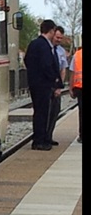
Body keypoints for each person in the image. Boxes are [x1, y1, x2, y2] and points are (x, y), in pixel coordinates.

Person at [24, 19, 63, 150]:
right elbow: (47, 65)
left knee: (39, 112)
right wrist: (54, 80)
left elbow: (27, 60)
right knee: (42, 112)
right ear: (51, 31)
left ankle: (41, 138)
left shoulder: (34, 44)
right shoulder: (44, 46)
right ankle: (39, 141)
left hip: (35, 83)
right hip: (43, 85)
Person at [46, 25, 68, 146]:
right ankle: (43, 136)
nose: (58, 40)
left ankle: (49, 135)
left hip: (56, 85)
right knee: (46, 112)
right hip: (47, 85)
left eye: (61, 38)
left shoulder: (61, 51)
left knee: (55, 111)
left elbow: (63, 70)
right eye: (57, 37)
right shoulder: (46, 48)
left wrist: (59, 87)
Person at [70, 41, 82, 144]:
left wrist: (71, 88)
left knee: (82, 112)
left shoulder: (77, 55)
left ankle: (82, 136)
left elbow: (72, 73)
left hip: (80, 88)